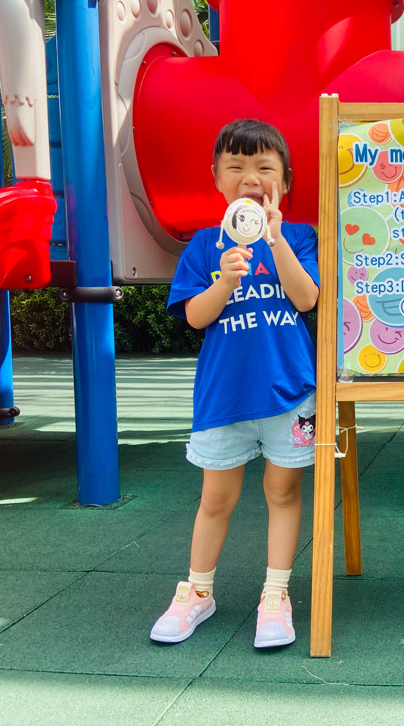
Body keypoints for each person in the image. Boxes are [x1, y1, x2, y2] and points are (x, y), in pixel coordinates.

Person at [150, 119, 319, 648]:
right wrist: (225, 278)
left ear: (284, 182)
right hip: (224, 396)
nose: (250, 177)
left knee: (283, 492)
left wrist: (275, 238)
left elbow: (306, 298)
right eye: (237, 166)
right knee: (215, 498)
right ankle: (198, 591)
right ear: (217, 179)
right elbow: (195, 316)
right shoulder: (204, 246)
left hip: (290, 393)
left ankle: (276, 594)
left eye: (265, 167)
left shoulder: (300, 237)